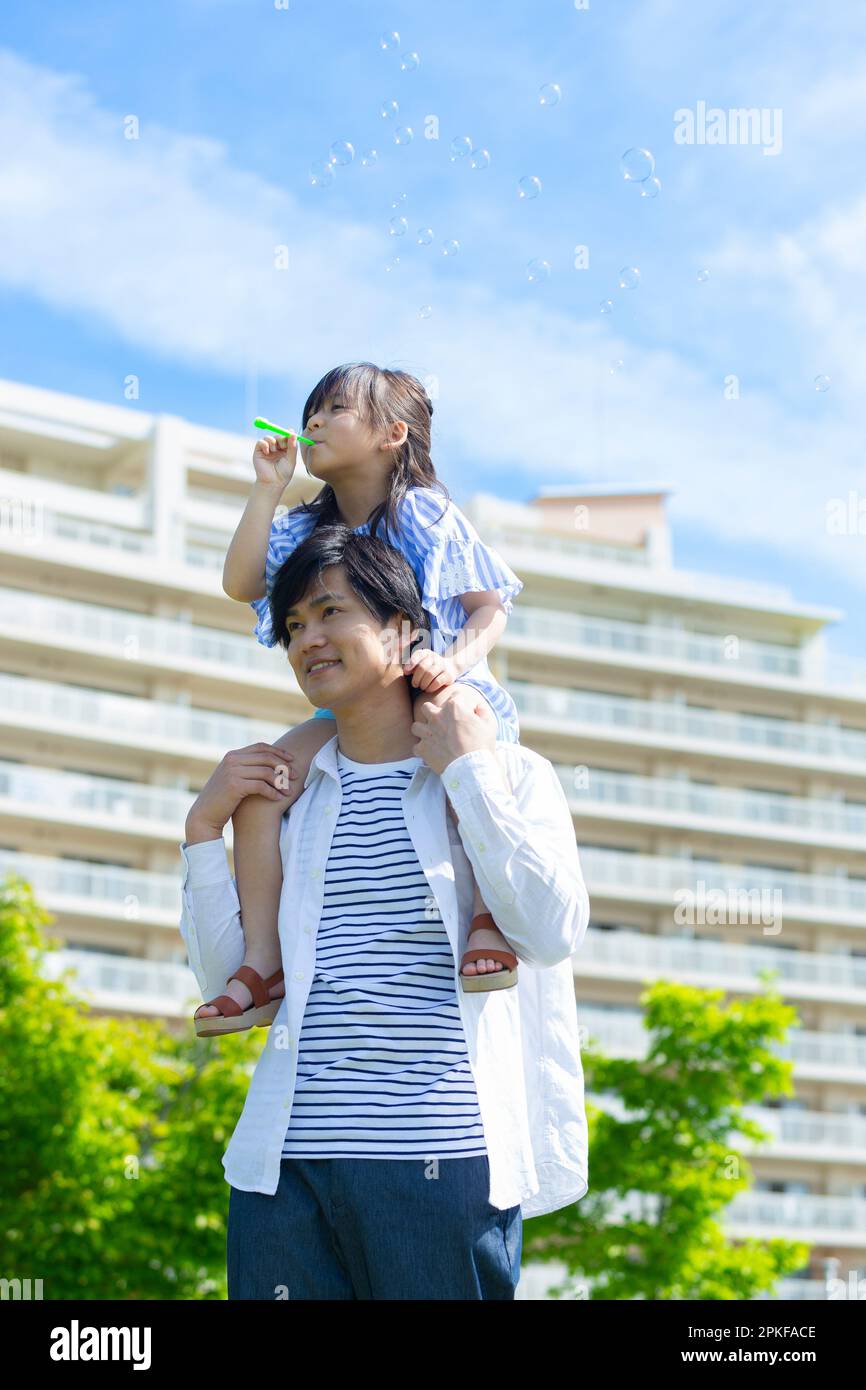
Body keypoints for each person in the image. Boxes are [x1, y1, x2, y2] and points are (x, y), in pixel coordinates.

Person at [179, 525, 591, 1299]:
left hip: (443, 1165)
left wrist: (467, 776)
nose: (309, 639)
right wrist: (205, 829)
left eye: (332, 613)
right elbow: (226, 973)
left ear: (405, 630)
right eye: (295, 625)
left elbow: (550, 929)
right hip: (283, 1169)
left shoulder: (507, 772)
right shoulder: (289, 797)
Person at [194, 362, 527, 1033]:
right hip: (350, 710)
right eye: (310, 412)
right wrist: (266, 490)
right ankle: (263, 963)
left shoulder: (428, 513)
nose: (312, 422)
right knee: (265, 783)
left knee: (456, 746)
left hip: (445, 688)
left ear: (392, 434)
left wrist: (451, 663)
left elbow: (489, 609)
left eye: (335, 410)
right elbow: (239, 583)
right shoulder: (303, 529)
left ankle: (489, 915)